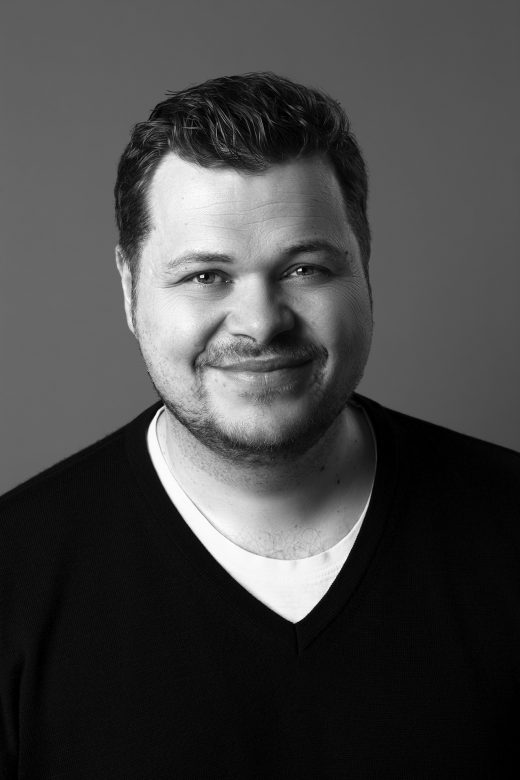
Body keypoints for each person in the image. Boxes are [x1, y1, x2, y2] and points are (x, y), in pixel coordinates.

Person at [0, 72, 519, 779]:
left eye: (304, 268)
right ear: (129, 288)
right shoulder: (15, 578)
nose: (260, 323)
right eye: (205, 276)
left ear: (364, 269)